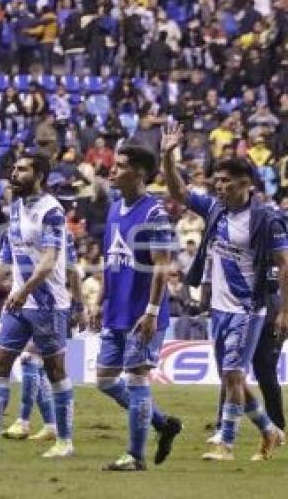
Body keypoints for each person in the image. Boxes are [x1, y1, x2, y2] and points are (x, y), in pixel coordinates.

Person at [162, 122, 288, 461]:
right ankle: (269, 430)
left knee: (234, 374)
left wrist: (285, 310)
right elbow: (179, 193)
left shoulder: (266, 220)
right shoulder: (216, 209)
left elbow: (285, 263)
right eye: (217, 180)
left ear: (245, 184)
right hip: (218, 308)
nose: (219, 186)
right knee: (230, 377)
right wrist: (167, 156)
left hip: (248, 309)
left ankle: (226, 443)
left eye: (226, 181)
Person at [0, 153, 74, 459]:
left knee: (55, 370)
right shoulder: (17, 207)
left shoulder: (53, 212)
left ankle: (64, 441)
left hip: (47, 302)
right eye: (14, 168)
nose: (14, 173)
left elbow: (49, 260)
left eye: (22, 169)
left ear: (39, 176)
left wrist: (24, 291)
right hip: (19, 302)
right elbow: (8, 257)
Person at [90, 144, 183, 471]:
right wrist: (99, 299)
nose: (112, 170)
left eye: (120, 166)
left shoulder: (155, 214)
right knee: (104, 380)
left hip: (142, 314)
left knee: (137, 381)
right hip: (116, 311)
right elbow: (110, 259)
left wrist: (152, 312)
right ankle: (162, 423)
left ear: (140, 173)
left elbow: (162, 266)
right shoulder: (115, 208)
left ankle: (135, 456)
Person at [3, 234, 83, 443]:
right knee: (38, 366)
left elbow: (72, 271)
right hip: (25, 304)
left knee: (32, 360)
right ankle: (50, 425)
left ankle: (25, 421)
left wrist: (78, 306)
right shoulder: (22, 228)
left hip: (51, 306)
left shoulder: (61, 235)